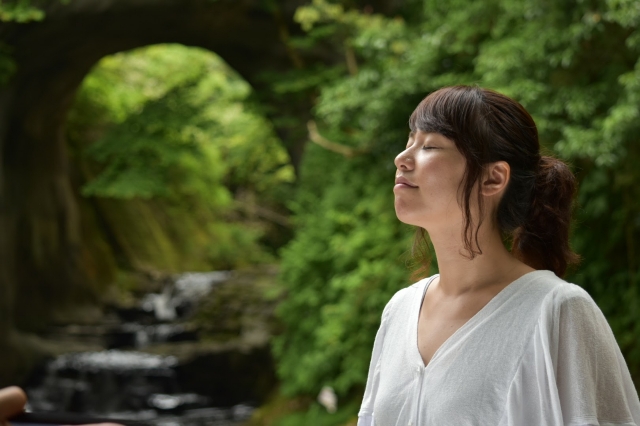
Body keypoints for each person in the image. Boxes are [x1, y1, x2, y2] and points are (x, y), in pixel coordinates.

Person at [358, 86, 640, 425]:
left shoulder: (556, 310)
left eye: (430, 146)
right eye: (409, 142)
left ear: (493, 178)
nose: (401, 159)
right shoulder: (399, 311)